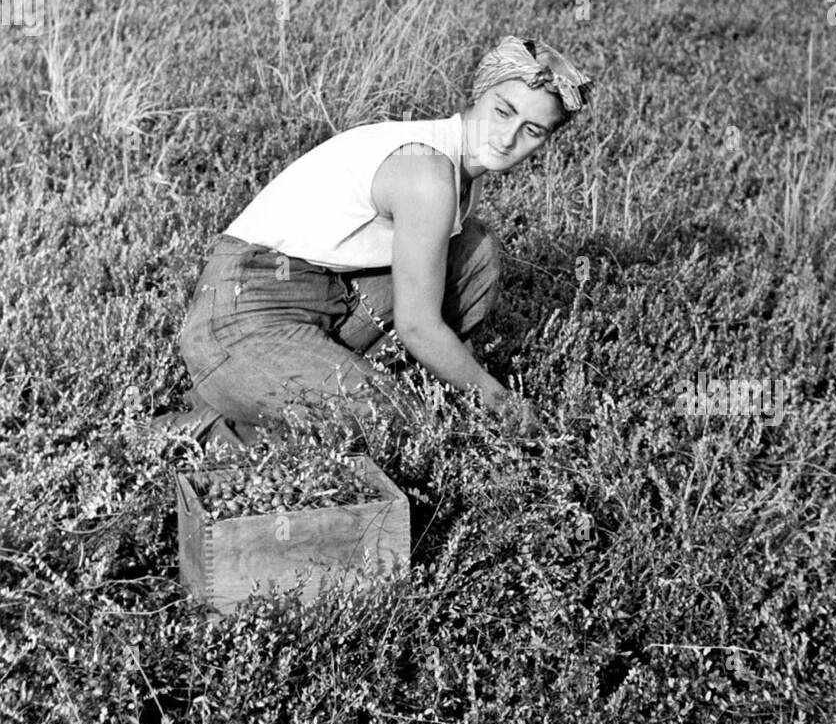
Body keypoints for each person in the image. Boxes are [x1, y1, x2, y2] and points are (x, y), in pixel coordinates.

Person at [163, 35, 593, 449]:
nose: (507, 138)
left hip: (327, 298)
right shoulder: (425, 169)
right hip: (242, 313)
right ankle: (202, 429)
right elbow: (417, 325)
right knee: (391, 421)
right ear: (479, 93)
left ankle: (272, 397)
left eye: (532, 130)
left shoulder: (458, 168)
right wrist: (503, 404)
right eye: (503, 112)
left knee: (476, 251)